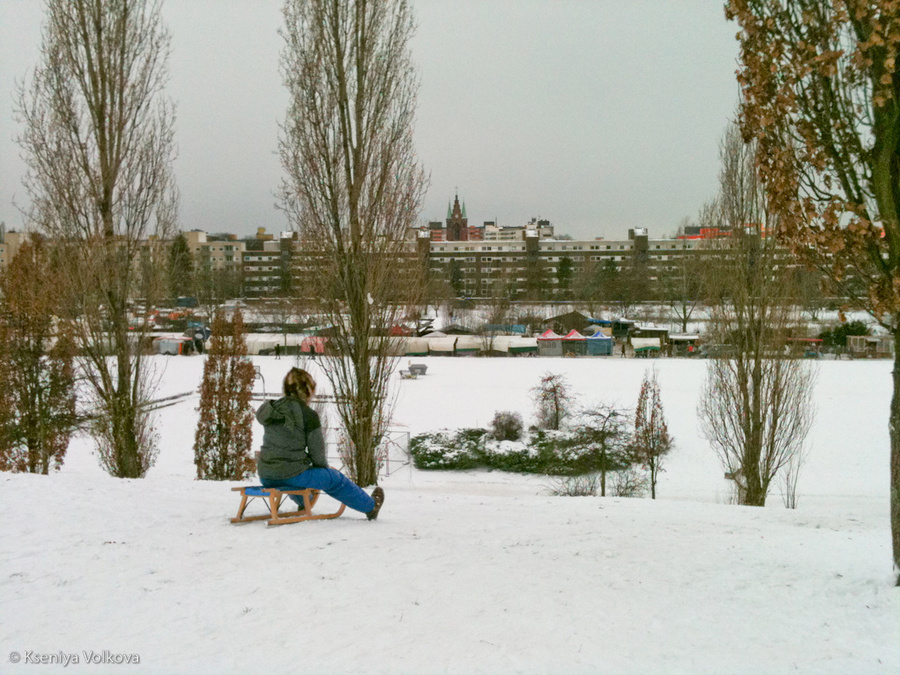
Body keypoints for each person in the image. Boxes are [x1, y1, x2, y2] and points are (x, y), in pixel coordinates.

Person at [255, 367, 385, 520]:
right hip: (291, 474)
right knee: (334, 478)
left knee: (296, 474)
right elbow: (318, 454)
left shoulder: (272, 409)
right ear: (308, 390)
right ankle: (370, 506)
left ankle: (305, 502)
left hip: (265, 474)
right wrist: (323, 468)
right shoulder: (307, 415)